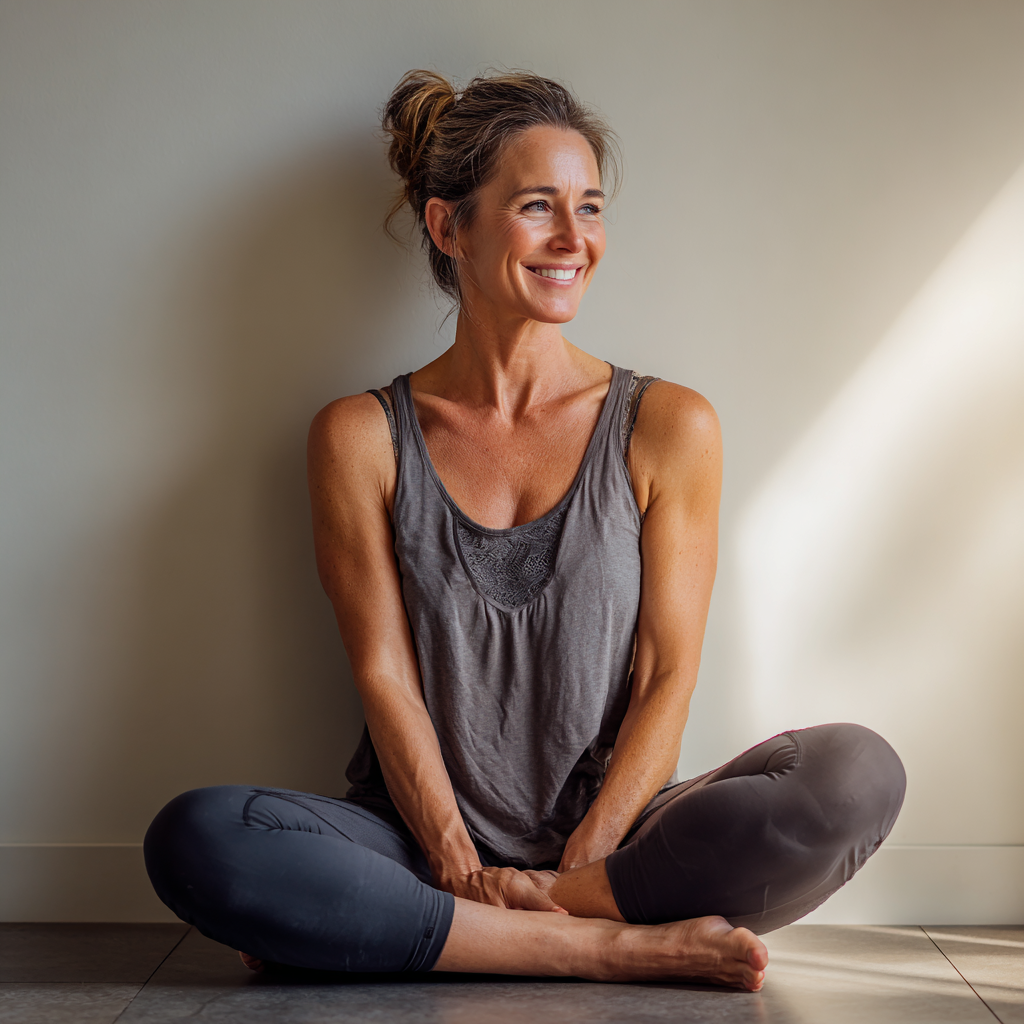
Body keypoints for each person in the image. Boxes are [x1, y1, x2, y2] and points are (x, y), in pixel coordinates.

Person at [144, 70, 905, 992]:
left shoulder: (668, 425)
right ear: (448, 228)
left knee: (857, 774)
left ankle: (457, 931)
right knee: (196, 837)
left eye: (590, 207)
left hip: (621, 848)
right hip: (417, 846)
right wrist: (457, 861)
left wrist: (580, 869)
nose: (574, 239)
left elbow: (667, 677)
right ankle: (603, 948)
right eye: (538, 206)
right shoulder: (360, 438)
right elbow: (385, 676)